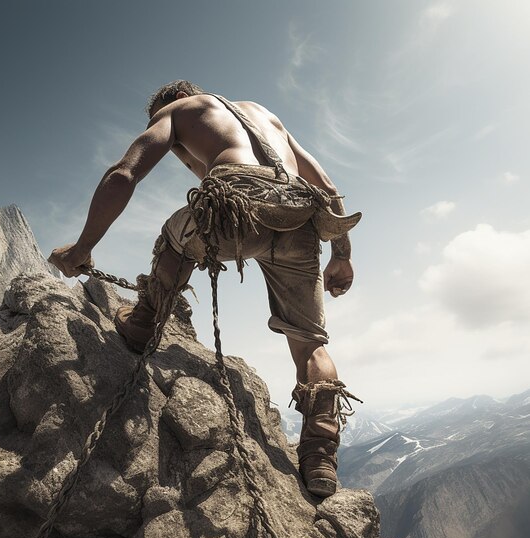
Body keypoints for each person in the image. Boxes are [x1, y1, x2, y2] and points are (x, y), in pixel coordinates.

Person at [49, 80, 362, 498]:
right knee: (311, 345)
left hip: (237, 204)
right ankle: (321, 453)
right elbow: (326, 186)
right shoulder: (262, 113)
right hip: (298, 216)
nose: (182, 157)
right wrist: (341, 255)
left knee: (175, 235)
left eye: (179, 151)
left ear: (172, 101)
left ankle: (144, 323)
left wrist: (82, 247)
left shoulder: (178, 111)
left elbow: (124, 174)